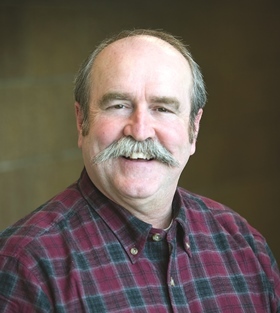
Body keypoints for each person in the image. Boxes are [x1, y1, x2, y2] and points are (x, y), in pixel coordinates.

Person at [0, 29, 279, 313]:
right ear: (81, 120)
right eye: (119, 105)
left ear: (194, 129)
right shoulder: (25, 265)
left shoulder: (245, 246)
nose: (140, 131)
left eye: (163, 109)